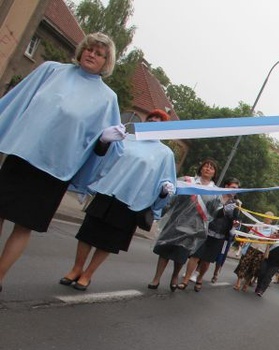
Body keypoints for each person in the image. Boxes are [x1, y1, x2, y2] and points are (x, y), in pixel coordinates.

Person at [0, 32, 124, 292]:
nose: (92, 54)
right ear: (81, 50)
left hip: (55, 171)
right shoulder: (50, 71)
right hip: (22, 156)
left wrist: (104, 140)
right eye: (89, 49)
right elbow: (19, 100)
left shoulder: (107, 98)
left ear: (106, 62)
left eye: (99, 53)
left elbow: (104, 148)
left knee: (24, 226)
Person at [59, 109, 176, 291]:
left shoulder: (165, 153)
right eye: (150, 119)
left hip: (131, 201)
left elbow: (167, 183)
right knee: (87, 232)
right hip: (108, 191)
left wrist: (164, 191)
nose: (153, 122)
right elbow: (104, 158)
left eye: (158, 121)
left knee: (109, 240)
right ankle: (76, 268)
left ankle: (88, 274)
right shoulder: (126, 139)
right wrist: (106, 140)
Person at [148, 159, 223, 291]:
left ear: (214, 173)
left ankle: (175, 276)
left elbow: (214, 212)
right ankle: (156, 278)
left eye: (211, 168)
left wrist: (224, 209)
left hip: (193, 228)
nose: (207, 168)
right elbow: (172, 197)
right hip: (175, 222)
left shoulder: (215, 192)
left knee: (180, 256)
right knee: (164, 252)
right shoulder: (187, 181)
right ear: (201, 168)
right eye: (206, 165)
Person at [179, 178, 241, 292]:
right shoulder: (215, 196)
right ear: (226, 186)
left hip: (219, 236)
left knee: (207, 260)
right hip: (205, 231)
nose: (235, 191)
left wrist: (235, 224)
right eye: (233, 187)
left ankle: (200, 279)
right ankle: (185, 280)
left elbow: (236, 219)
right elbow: (207, 210)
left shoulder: (236, 205)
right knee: (195, 256)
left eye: (237, 189)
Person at [233, 211, 275, 292]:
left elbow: (272, 242)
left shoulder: (272, 230)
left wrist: (271, 239)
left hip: (261, 251)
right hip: (252, 247)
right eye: (266, 216)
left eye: (269, 218)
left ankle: (246, 283)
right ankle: (238, 283)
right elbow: (250, 234)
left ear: (272, 220)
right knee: (244, 264)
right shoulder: (257, 224)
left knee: (254, 268)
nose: (267, 219)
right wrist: (257, 237)